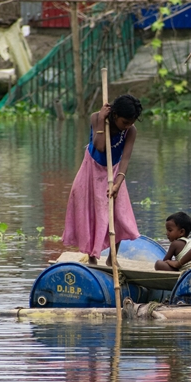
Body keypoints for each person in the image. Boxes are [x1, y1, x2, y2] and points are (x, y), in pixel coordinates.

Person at [62, 94, 142, 265]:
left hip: (114, 172)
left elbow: (125, 159)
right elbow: (100, 146)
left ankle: (112, 257)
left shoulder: (131, 131)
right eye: (124, 122)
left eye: (130, 122)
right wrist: (100, 120)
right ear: (114, 115)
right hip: (91, 170)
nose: (127, 126)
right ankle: (92, 257)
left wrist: (118, 183)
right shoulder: (97, 118)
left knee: (119, 214)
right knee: (90, 211)